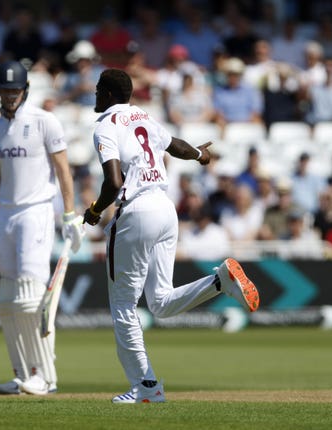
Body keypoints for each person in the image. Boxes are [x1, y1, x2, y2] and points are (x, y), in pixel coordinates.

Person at [82, 69, 259, 404]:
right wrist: (200, 155)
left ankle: (145, 388)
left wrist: (94, 211)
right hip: (165, 209)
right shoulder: (143, 116)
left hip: (136, 211)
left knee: (123, 305)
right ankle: (220, 281)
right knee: (160, 302)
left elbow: (114, 182)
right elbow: (174, 144)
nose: (94, 96)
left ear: (106, 94)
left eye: (96, 91)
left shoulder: (105, 126)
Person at [0, 61, 84, 396]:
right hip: (5, 216)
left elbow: (64, 170)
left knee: (32, 295)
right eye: (4, 90)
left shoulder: (44, 122)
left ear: (24, 91)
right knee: (7, 299)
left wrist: (69, 214)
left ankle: (44, 375)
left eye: (14, 90)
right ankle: (21, 372)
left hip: (36, 212)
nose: (9, 96)